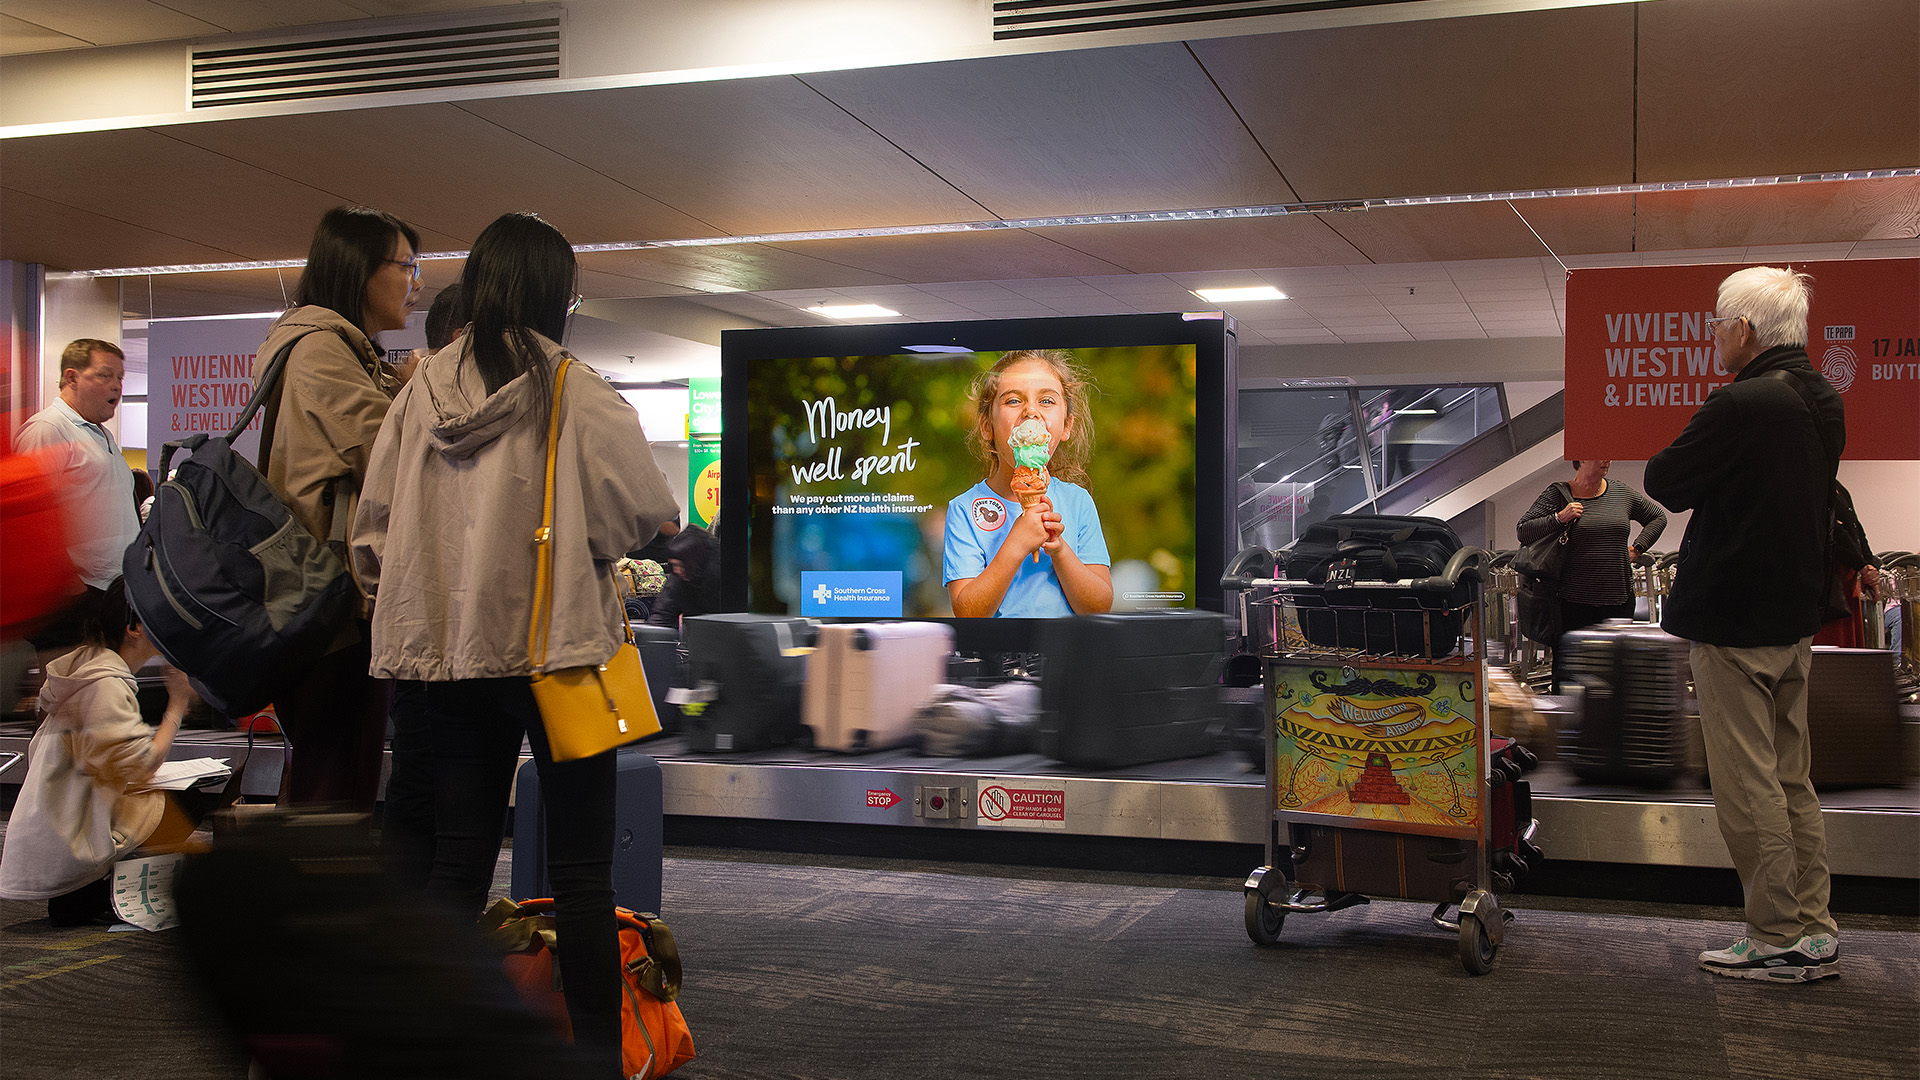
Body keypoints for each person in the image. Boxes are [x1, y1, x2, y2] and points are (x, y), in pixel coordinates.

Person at [352, 211, 678, 1076]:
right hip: (560, 653)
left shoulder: (419, 392)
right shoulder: (574, 387)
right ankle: (595, 1065)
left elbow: (374, 532)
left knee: (457, 863)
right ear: (557, 293)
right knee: (581, 878)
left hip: (453, 657)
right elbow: (640, 514)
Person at [1645, 266, 1842, 983]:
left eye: (1717, 324)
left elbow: (1666, 480)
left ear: (1745, 330)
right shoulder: (1821, 397)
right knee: (1793, 780)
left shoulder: (1741, 404)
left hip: (1735, 625)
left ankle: (1772, 934)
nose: (1714, 336)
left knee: (1748, 784)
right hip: (1794, 621)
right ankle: (1815, 928)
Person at [252, 205, 419, 807]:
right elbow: (387, 456)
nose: (414, 280)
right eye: (405, 264)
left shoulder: (339, 351)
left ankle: (318, 892)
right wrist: (419, 395)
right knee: (332, 780)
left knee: (336, 771)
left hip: (331, 599)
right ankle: (313, 897)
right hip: (328, 601)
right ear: (360, 270)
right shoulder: (322, 350)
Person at [0, 578, 200, 925]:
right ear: (134, 627)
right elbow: (143, 766)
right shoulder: (105, 684)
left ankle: (82, 895)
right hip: (73, 833)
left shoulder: (84, 669)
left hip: (56, 824)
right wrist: (177, 705)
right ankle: (96, 892)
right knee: (188, 799)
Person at [383, 281, 466, 888]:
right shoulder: (498, 405)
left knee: (421, 783)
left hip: (411, 628)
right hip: (461, 636)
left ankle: (414, 936)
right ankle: (427, 943)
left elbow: (372, 528)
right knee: (448, 795)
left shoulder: (402, 406)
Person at [943, 349, 1112, 617]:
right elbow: (968, 612)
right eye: (1013, 401)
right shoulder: (964, 509)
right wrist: (1017, 543)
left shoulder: (1078, 501)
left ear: (1066, 426)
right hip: (997, 656)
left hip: (1067, 655)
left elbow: (1099, 606)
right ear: (987, 426)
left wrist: (1060, 550)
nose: (1031, 411)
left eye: (1046, 400)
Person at [15, 339, 140, 655]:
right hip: (76, 597)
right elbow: (30, 517)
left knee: (103, 696)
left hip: (112, 591)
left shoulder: (101, 432)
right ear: (71, 378)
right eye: (104, 375)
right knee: (68, 698)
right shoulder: (47, 429)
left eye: (120, 378)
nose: (116, 386)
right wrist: (71, 590)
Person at [1516, 458, 1667, 687]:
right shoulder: (1558, 493)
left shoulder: (1620, 492)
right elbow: (1524, 530)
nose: (1606, 459)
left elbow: (1658, 517)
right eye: (1598, 453)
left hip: (1618, 600)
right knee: (1570, 676)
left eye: (1608, 454)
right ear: (1581, 458)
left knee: (1614, 675)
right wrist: (1559, 518)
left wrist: (1637, 548)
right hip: (1571, 603)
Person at [1813, 482, 1881, 648]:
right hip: (1830, 580)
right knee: (1833, 643)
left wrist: (1869, 565)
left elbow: (1855, 528)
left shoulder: (1838, 487)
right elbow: (1834, 530)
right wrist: (1862, 566)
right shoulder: (1814, 484)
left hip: (1848, 578)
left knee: (1850, 643)